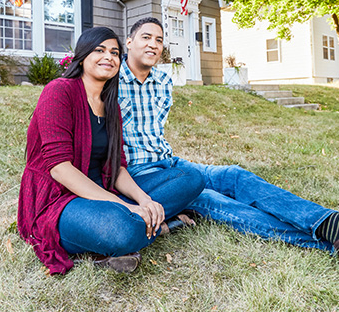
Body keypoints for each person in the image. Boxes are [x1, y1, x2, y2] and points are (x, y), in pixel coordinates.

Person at [118, 17, 339, 275]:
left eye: (158, 40)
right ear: (128, 42)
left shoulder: (162, 81)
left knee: (234, 176)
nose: (153, 44)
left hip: (171, 163)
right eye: (145, 37)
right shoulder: (111, 79)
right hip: (140, 175)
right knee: (212, 199)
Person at [17, 27, 205, 274]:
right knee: (120, 229)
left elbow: (116, 168)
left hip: (104, 193)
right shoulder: (59, 91)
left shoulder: (111, 105)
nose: (109, 57)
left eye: (115, 53)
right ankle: (162, 225)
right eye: (99, 50)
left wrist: (144, 200)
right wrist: (124, 206)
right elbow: (60, 170)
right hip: (59, 201)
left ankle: (141, 222)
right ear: (83, 56)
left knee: (192, 178)